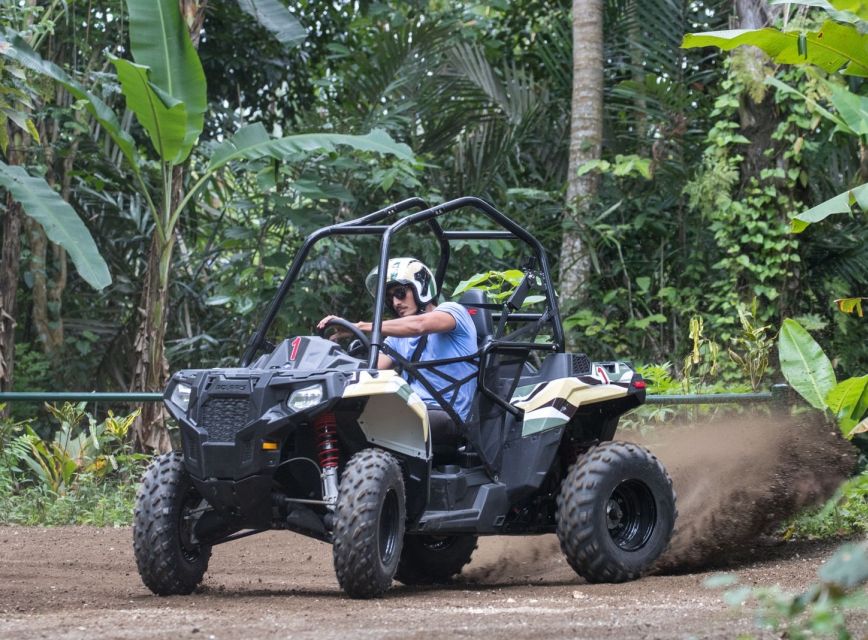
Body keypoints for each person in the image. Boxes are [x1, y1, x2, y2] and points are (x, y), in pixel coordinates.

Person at [317, 257, 477, 444]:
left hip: (445, 413)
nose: (395, 302)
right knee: (336, 417)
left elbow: (420, 325)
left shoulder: (454, 311)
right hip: (409, 408)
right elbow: (372, 370)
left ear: (421, 288)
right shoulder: (397, 338)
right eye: (390, 298)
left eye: (400, 293)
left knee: (370, 424)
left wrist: (362, 326)